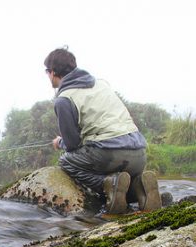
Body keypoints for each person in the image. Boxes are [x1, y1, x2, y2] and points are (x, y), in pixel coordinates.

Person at [44, 47, 161, 214]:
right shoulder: (101, 84)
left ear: (53, 72)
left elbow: (72, 145)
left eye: (47, 72)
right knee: (124, 179)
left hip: (109, 154)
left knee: (65, 161)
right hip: (139, 153)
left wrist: (59, 142)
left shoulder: (63, 100)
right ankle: (139, 186)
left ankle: (109, 184)